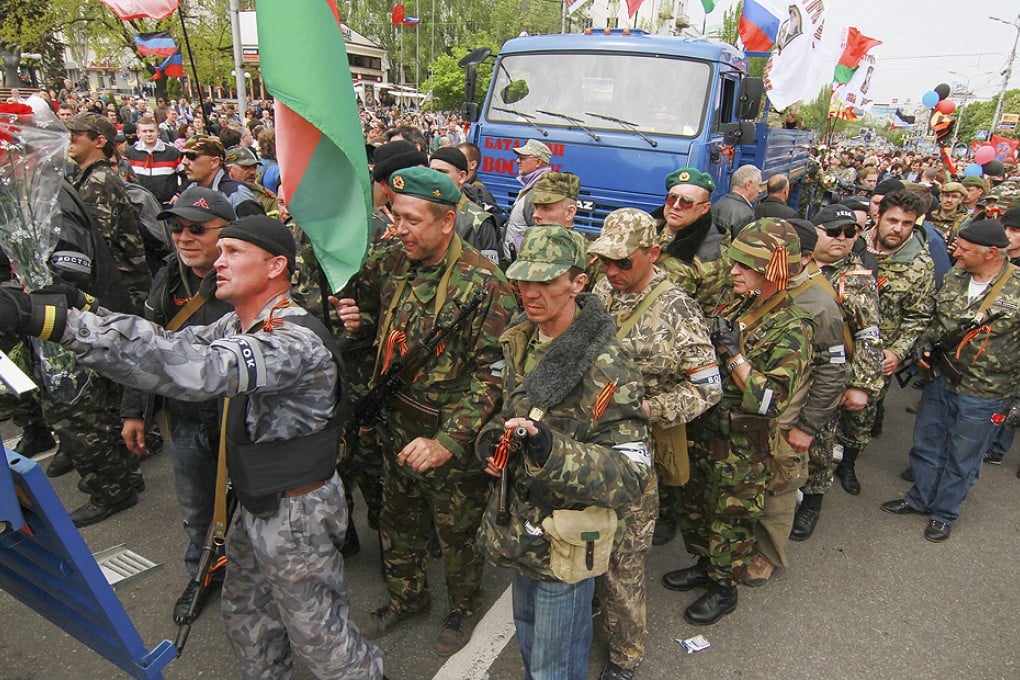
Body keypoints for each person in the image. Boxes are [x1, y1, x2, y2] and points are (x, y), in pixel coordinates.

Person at [0, 216, 386, 678]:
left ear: (275, 266)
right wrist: (87, 311)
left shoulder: (291, 341)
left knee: (321, 638)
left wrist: (59, 325)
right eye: (219, 252)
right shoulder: (238, 322)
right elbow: (167, 342)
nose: (218, 262)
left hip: (295, 514)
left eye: (234, 253)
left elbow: (195, 368)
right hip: (258, 502)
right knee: (248, 619)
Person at [335, 167, 518, 656]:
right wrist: (356, 319)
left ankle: (464, 604)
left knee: (456, 532)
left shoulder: (484, 284)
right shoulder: (392, 257)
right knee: (398, 521)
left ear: (447, 221)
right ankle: (406, 598)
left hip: (446, 434)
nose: (399, 230)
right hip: (394, 424)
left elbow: (492, 375)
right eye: (396, 217)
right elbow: (373, 319)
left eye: (412, 220)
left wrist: (447, 443)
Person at [476, 225, 651, 680]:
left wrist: (549, 449)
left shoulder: (608, 364)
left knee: (554, 665)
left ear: (577, 283)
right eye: (523, 281)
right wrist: (495, 438)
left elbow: (632, 472)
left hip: (567, 539)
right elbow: (512, 409)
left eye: (546, 282)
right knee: (531, 641)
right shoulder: (523, 338)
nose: (530, 293)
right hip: (523, 530)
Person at [588, 211, 720, 680]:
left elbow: (708, 387)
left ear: (653, 254)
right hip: (585, 445)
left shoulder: (677, 309)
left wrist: (648, 409)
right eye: (604, 261)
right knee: (585, 538)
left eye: (622, 263)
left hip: (634, 451)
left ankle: (625, 656)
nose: (611, 272)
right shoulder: (602, 291)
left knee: (624, 558)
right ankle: (589, 610)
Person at [662, 218, 813, 626]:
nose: (732, 272)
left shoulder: (793, 327)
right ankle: (704, 565)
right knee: (694, 507)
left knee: (730, 519)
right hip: (703, 430)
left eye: (744, 267)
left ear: (770, 272)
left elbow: (771, 399)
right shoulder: (735, 303)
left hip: (741, 444)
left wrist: (734, 355)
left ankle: (724, 586)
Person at [118, 186, 237, 622]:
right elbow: (145, 347)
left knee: (252, 513)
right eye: (177, 228)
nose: (184, 238)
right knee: (196, 510)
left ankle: (254, 586)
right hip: (187, 421)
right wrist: (135, 411)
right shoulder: (167, 277)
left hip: (239, 421)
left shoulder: (244, 272)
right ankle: (202, 575)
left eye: (197, 229)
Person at [882, 220, 1020, 542]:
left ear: (991, 254)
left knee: (962, 457)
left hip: (986, 392)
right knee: (927, 443)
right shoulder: (955, 277)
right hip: (942, 379)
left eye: (964, 249)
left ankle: (944, 513)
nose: (955, 252)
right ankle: (920, 498)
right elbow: (935, 321)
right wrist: (924, 344)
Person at [749, 218, 846, 577]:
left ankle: (768, 556)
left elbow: (832, 371)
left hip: (787, 418)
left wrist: (807, 426)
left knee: (779, 488)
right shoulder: (761, 287)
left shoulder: (819, 304)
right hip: (755, 407)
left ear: (802, 258)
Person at [790, 205, 884, 540]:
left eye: (850, 233)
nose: (842, 239)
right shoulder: (792, 263)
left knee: (818, 444)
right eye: (833, 232)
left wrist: (862, 385)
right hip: (789, 371)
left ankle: (812, 503)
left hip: (828, 376)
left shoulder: (856, 279)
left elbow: (868, 335)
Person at [652, 167, 730, 545]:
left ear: (704, 208)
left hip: (675, 361)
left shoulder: (711, 255)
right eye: (671, 198)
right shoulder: (648, 230)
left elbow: (707, 315)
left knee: (670, 441)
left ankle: (668, 509)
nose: (675, 207)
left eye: (686, 202)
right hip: (634, 348)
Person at [983, 206, 1020, 469]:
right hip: (987, 350)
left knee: (1010, 404)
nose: (1009, 235)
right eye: (1006, 228)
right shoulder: (995, 260)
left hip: (1011, 353)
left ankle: (997, 448)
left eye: (1016, 231)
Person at [428, 146, 500, 263]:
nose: (434, 177)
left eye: (442, 172)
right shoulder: (424, 210)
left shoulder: (480, 221)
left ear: (461, 176)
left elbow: (491, 271)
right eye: (431, 171)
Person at [180, 135, 265, 217]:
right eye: (182, 156)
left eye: (191, 156)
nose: (184, 162)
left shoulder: (236, 195)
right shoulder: (189, 192)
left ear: (214, 162)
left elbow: (257, 229)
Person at [503, 139, 553, 261]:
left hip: (522, 267)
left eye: (523, 158)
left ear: (537, 162)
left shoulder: (539, 192)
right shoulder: (532, 188)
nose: (517, 161)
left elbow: (539, 235)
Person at [122, 115, 184, 205]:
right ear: (138, 133)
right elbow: (124, 179)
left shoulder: (172, 152)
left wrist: (178, 194)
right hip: (140, 204)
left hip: (167, 204)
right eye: (144, 131)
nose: (148, 134)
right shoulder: (130, 153)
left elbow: (187, 176)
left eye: (151, 131)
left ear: (158, 132)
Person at [712, 164, 760, 237]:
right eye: (759, 185)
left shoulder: (717, 205)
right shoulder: (746, 215)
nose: (760, 190)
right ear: (749, 184)